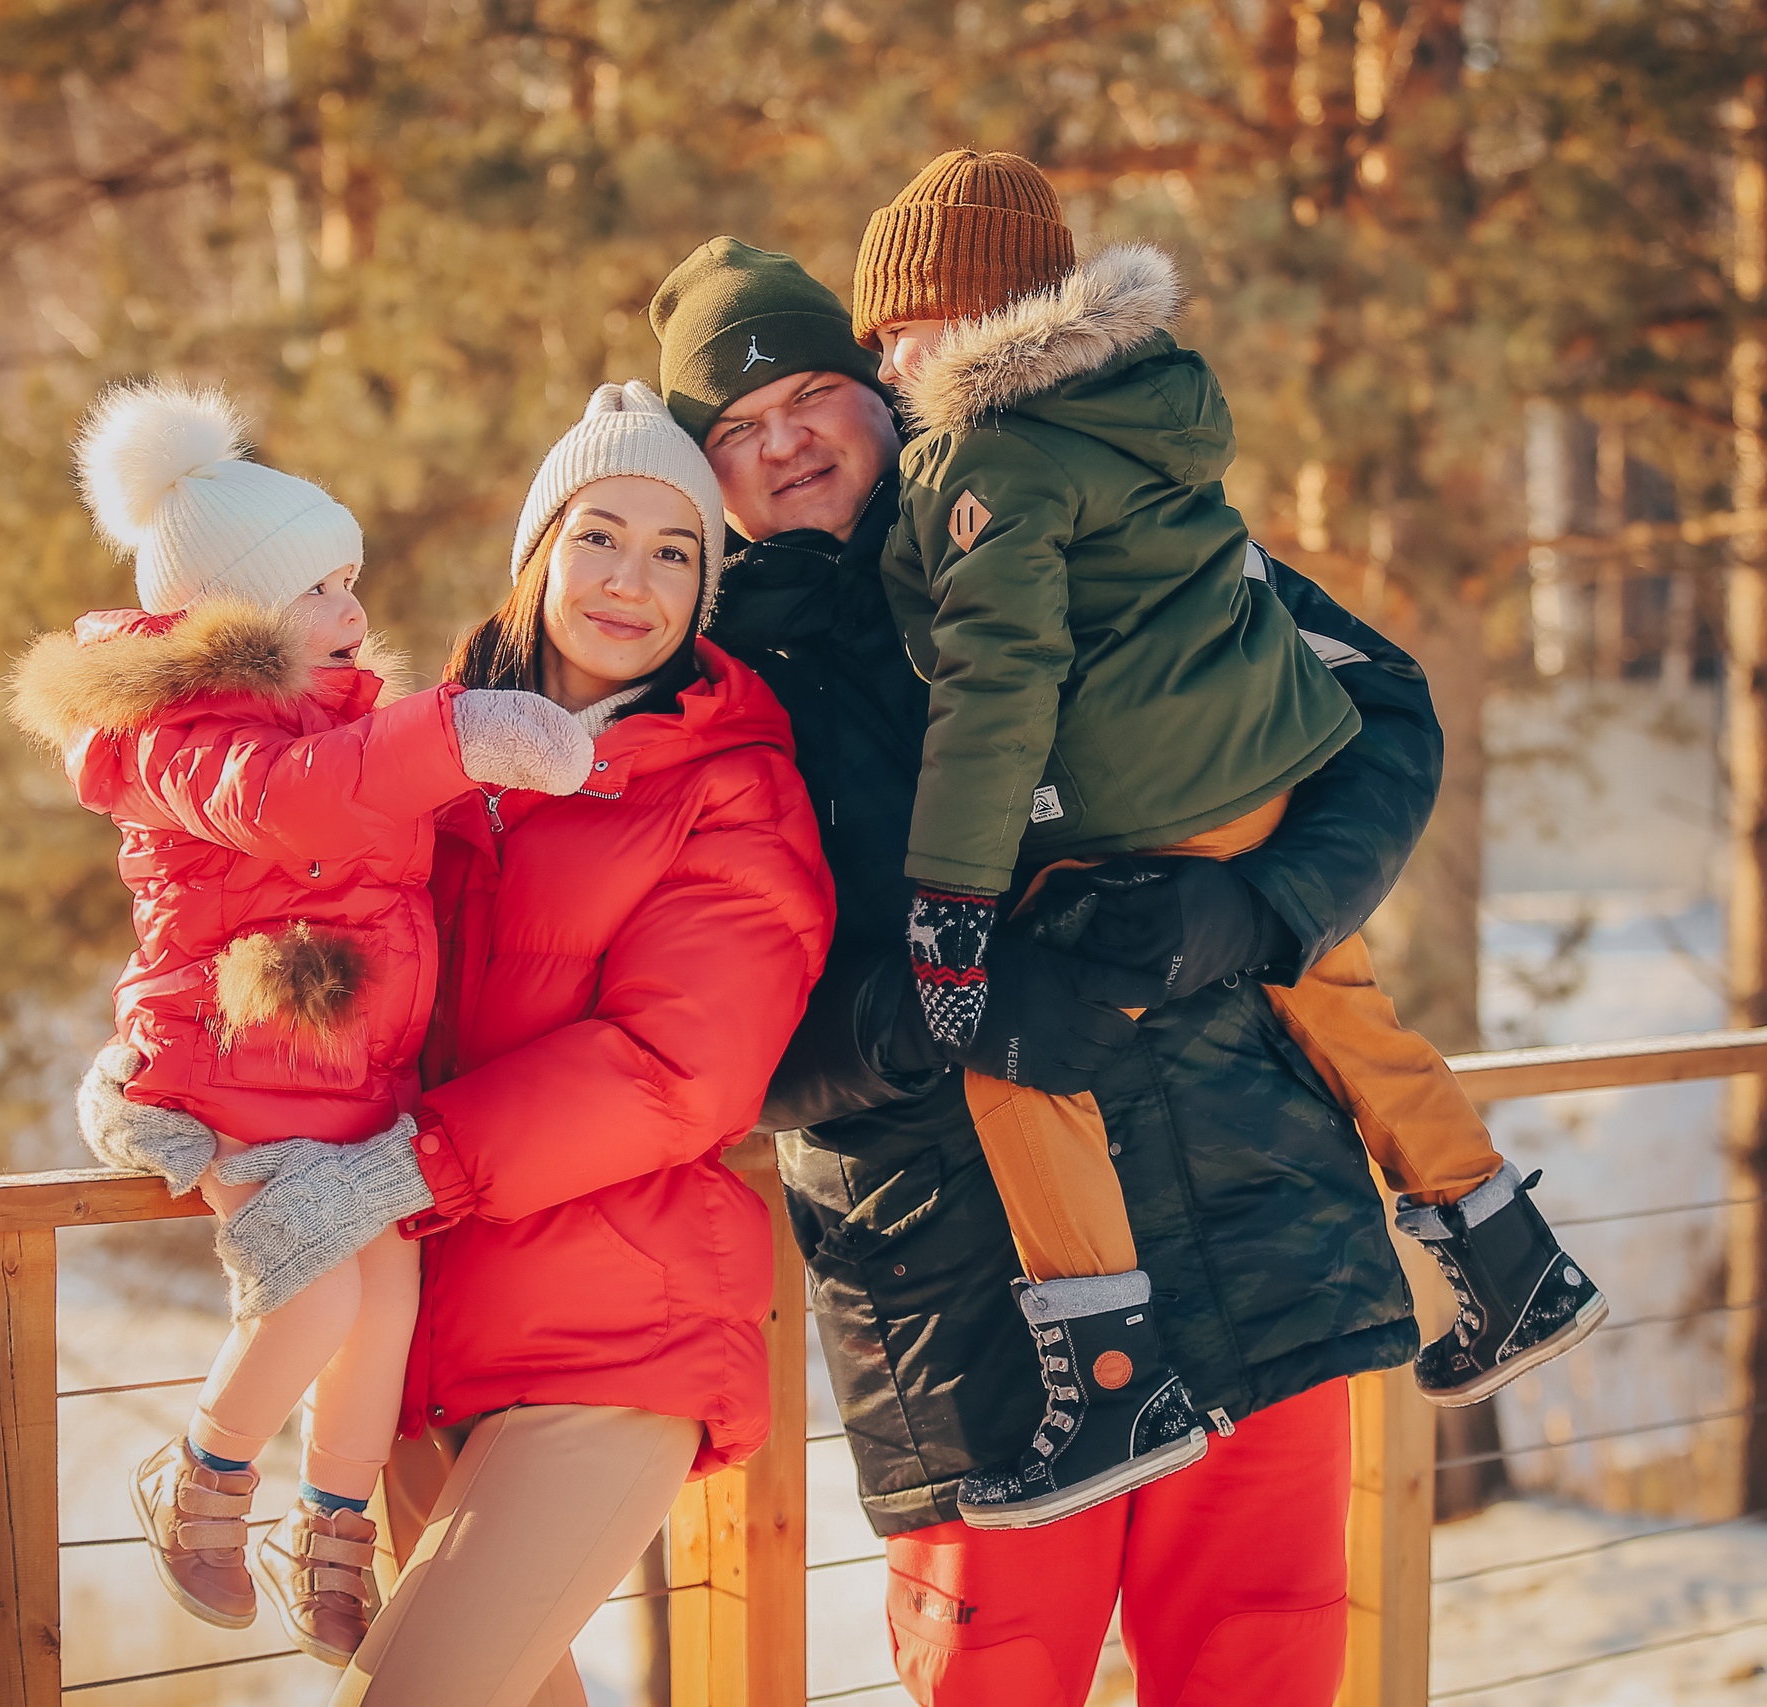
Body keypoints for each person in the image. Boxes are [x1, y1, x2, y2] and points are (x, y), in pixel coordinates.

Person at [650, 235, 1422, 1705]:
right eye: (734, 431)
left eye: (810, 392)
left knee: (1267, 1657)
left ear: (888, 386)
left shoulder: (1100, 520)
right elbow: (708, 1032)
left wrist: (1258, 907)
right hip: (965, 1288)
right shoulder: (700, 678)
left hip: (1249, 1213)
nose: (785, 439)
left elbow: (1385, 715)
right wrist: (933, 1008)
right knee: (998, 1674)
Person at [847, 150, 1605, 1524]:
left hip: (1127, 829)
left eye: (893, 331)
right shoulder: (1146, 424)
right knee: (1352, 1006)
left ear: (958, 315)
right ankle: (1511, 1251)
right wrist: (1271, 889)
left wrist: (954, 899)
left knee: (1018, 1065)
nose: (887, 363)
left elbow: (998, 678)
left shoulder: (979, 462)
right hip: (1251, 795)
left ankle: (1114, 1368)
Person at [78, 379, 835, 1706]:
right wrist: (164, 1044)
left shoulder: (736, 787)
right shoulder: (417, 750)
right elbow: (272, 909)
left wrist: (400, 1166)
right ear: (540, 548)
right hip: (415, 1339)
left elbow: (679, 1066)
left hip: (610, 1333)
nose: (631, 581)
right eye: (599, 533)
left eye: (676, 553)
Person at [13, 381, 594, 1665]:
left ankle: (326, 1528)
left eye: (352, 583)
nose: (357, 612)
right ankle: (204, 1479)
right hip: (232, 1073)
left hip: (345, 1086)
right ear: (241, 614)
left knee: (383, 1295)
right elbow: (293, 806)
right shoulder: (178, 735)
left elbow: (404, 814)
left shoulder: (346, 729)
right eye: (325, 588)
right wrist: (459, 732)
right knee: (315, 1292)